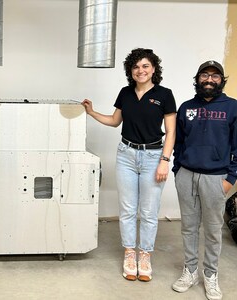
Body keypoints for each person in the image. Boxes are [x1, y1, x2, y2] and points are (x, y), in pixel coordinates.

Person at [82, 48, 176, 282]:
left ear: (154, 69)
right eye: (136, 67)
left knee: (148, 211)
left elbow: (172, 132)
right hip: (126, 154)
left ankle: (145, 255)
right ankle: (129, 253)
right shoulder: (125, 93)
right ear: (130, 71)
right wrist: (92, 112)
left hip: (153, 156)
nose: (140, 70)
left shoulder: (164, 95)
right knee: (127, 209)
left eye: (145, 66)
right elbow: (115, 121)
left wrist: (165, 161)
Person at [171, 60, 237, 300]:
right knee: (188, 227)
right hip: (186, 175)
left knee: (212, 229)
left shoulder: (232, 107)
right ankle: (190, 271)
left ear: (221, 80)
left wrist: (230, 178)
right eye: (205, 75)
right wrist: (177, 170)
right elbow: (178, 142)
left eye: (215, 76)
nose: (209, 80)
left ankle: (210, 274)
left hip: (216, 178)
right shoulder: (186, 107)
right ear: (197, 79)